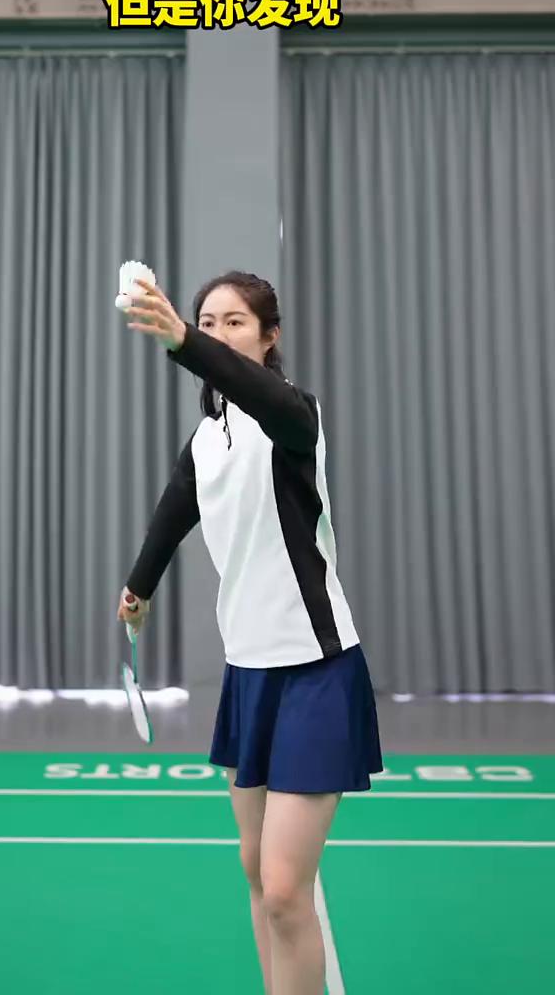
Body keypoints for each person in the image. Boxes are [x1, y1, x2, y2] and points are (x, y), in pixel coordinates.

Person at [116, 269, 383, 995]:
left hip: (317, 668)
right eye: (208, 321)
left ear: (270, 338)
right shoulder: (208, 440)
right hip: (249, 670)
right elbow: (174, 512)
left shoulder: (294, 417)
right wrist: (138, 588)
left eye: (235, 321)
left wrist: (183, 341)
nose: (219, 332)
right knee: (256, 874)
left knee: (287, 889)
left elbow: (252, 391)